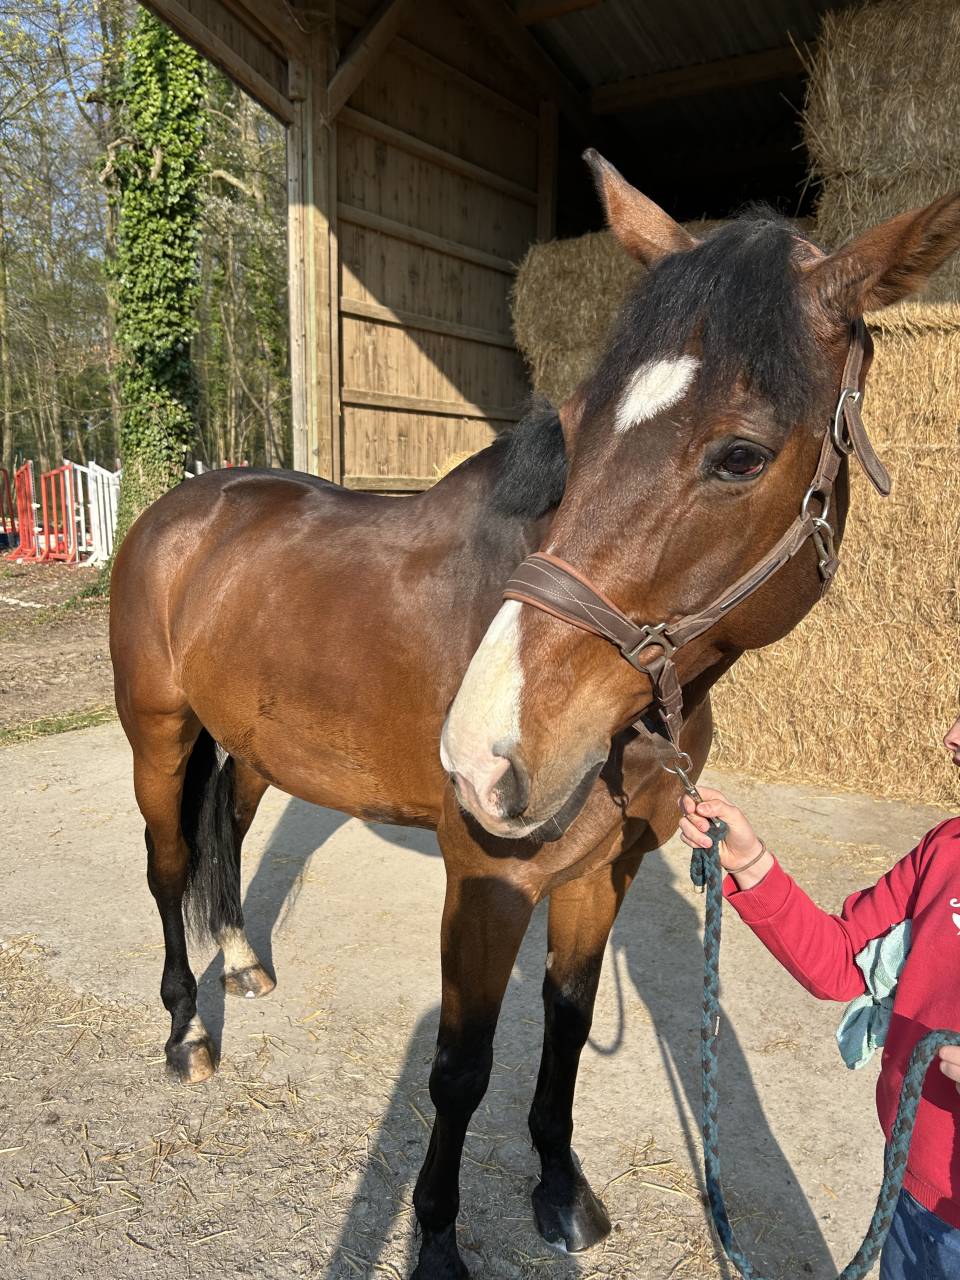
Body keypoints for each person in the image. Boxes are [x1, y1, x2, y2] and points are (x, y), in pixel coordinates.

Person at [678, 715, 960, 1279]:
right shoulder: (946, 849)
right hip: (909, 1183)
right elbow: (842, 960)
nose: (951, 734)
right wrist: (751, 864)